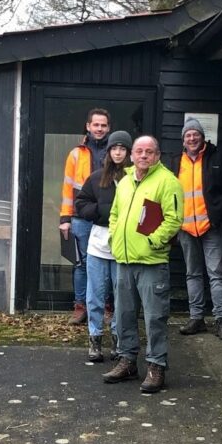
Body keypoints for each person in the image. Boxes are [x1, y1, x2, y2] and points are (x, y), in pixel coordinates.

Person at [103, 135, 182, 393]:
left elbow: (173, 219)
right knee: (124, 315)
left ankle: (156, 366)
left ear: (157, 155)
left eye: (149, 151)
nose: (143, 156)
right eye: (139, 151)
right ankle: (127, 362)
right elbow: (114, 214)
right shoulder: (125, 181)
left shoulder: (168, 182)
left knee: (154, 318)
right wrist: (115, 238)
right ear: (132, 155)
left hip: (151, 261)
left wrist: (153, 242)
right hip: (124, 261)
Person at [173, 118, 222, 340]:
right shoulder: (175, 161)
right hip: (185, 229)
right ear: (183, 139)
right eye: (188, 135)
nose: (192, 138)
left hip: (211, 227)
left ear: (202, 137)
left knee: (216, 274)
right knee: (192, 274)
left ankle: (221, 321)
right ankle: (197, 319)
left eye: (195, 134)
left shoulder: (218, 158)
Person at [73, 130, 132, 362]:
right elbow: (81, 202)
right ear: (108, 152)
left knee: (120, 296)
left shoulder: (134, 178)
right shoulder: (97, 177)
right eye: (114, 148)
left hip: (124, 243)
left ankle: (118, 340)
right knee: (95, 294)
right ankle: (95, 339)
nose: (118, 152)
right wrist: (98, 211)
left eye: (122, 148)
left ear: (128, 152)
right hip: (98, 241)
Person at [59, 109, 111, 324]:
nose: (99, 129)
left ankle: (105, 306)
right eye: (95, 125)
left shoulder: (115, 153)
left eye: (103, 125)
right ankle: (80, 306)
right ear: (88, 126)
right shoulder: (76, 154)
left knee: (106, 263)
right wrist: (65, 219)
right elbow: (67, 187)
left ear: (108, 128)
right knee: (80, 264)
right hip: (80, 217)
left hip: (106, 219)